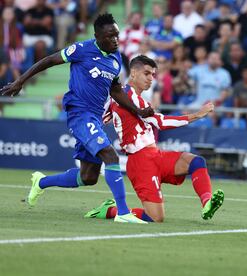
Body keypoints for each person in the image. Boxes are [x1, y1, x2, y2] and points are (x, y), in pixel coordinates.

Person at [0, 13, 154, 224]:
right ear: (98, 36)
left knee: (88, 177)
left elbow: (115, 90)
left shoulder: (116, 58)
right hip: (80, 113)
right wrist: (20, 81)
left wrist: (137, 110)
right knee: (111, 156)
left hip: (95, 117)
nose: (116, 40)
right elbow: (48, 60)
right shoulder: (81, 49)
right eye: (111, 36)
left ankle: (41, 182)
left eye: (117, 35)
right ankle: (123, 212)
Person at [85, 55, 224, 223]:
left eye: (153, 75)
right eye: (147, 73)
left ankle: (207, 202)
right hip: (140, 162)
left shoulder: (131, 98)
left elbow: (104, 115)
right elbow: (161, 122)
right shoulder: (127, 96)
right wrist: (196, 115)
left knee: (196, 162)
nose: (151, 79)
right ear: (134, 73)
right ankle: (110, 210)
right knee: (155, 217)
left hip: (155, 155)